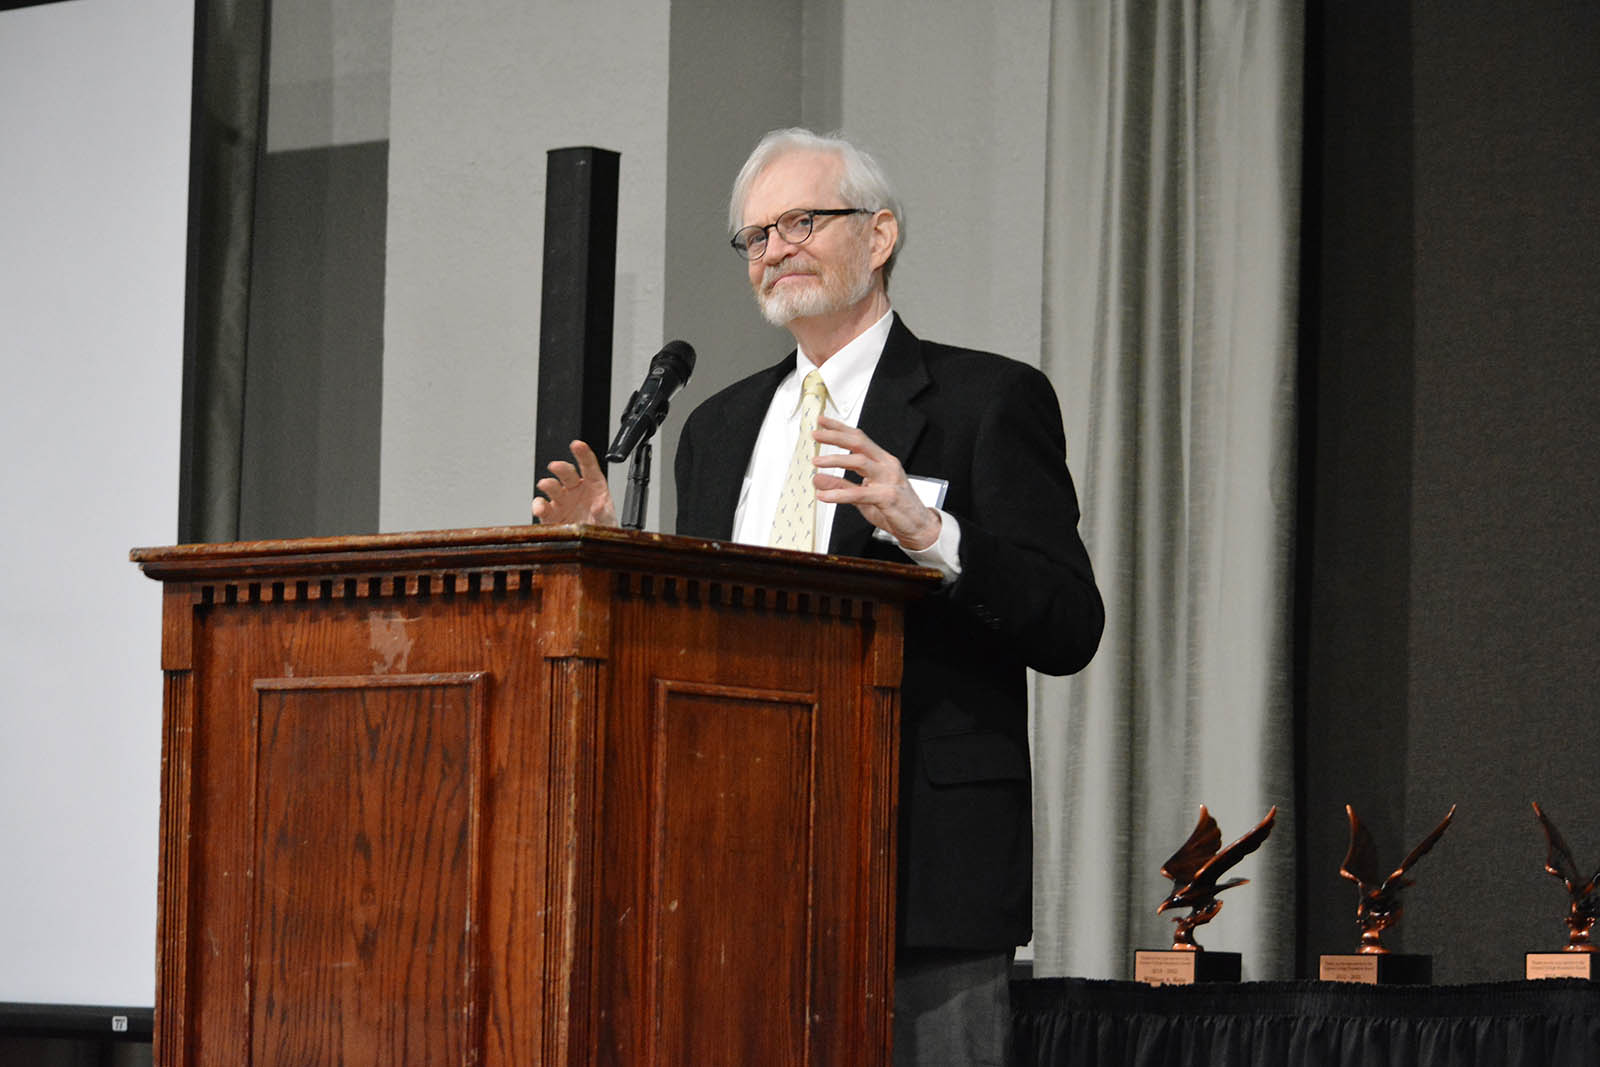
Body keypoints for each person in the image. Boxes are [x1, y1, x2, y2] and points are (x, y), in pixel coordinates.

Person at [532, 128, 1103, 1066]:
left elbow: (1070, 622)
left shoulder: (985, 400)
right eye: (755, 236)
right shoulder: (715, 430)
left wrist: (928, 531)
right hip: (737, 862)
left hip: (919, 866)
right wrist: (612, 558)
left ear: (878, 237)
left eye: (801, 220)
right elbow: (706, 638)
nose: (774, 249)